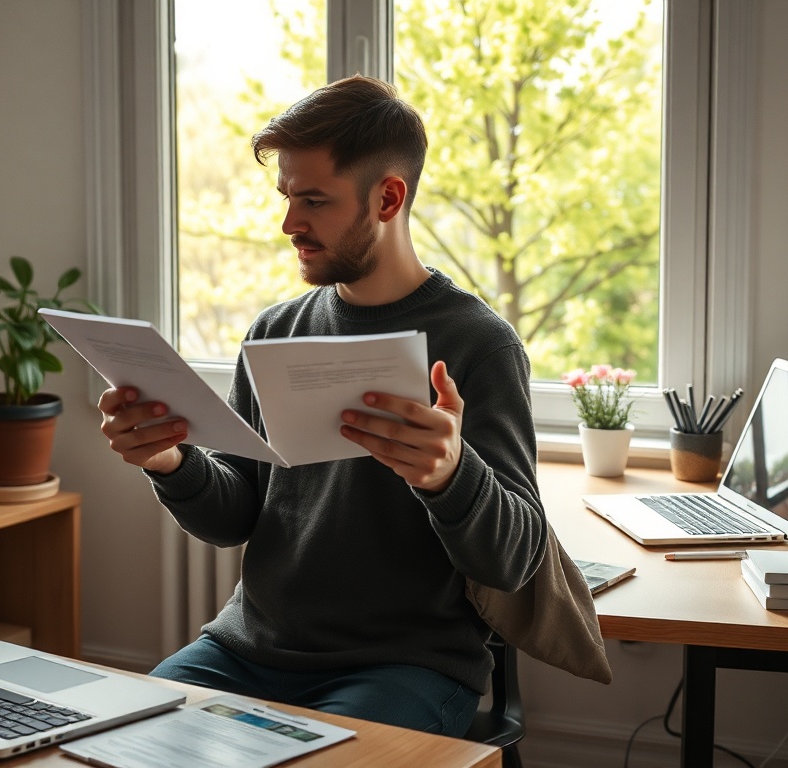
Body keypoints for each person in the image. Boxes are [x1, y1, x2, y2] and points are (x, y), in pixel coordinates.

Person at [97, 75, 547, 738]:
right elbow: (237, 515)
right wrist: (169, 460)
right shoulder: (276, 329)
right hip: (242, 653)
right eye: (285, 196)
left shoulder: (478, 344)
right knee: (112, 741)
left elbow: (514, 560)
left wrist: (450, 474)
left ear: (388, 198)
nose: (289, 224)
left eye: (313, 200)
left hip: (401, 669)